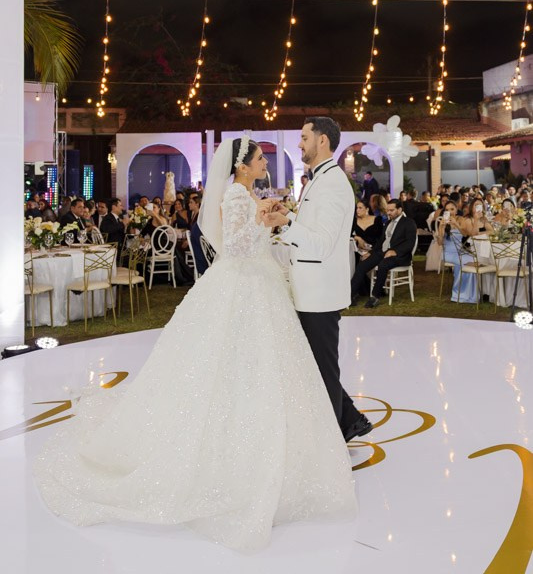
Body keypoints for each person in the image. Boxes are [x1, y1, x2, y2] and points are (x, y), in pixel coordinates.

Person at [33, 135, 356, 551]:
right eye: (260, 158)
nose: (265, 162)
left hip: (261, 285)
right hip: (244, 285)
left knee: (266, 369)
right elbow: (235, 247)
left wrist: (266, 216)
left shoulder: (248, 194)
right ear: (242, 165)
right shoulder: (236, 195)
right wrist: (264, 221)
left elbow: (250, 238)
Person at [264, 116, 373, 442]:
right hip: (310, 288)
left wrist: (286, 224)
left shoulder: (333, 183)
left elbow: (323, 243)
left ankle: (331, 439)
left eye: (303, 137)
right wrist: (288, 215)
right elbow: (314, 227)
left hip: (320, 292)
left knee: (322, 369)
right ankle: (351, 420)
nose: (299, 144)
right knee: (315, 363)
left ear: (321, 140)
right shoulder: (320, 179)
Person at [350, 198, 417, 308]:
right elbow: (381, 241)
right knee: (362, 265)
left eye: (391, 210)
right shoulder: (388, 223)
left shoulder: (409, 223)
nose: (388, 212)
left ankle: (375, 296)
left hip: (401, 255)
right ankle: (351, 295)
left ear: (400, 209)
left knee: (383, 265)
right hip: (384, 252)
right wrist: (371, 253)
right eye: (387, 210)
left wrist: (395, 251)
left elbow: (410, 243)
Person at [437, 202, 477, 303]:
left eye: (452, 209)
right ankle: (459, 294)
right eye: (447, 210)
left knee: (473, 260)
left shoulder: (461, 219)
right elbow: (440, 243)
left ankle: (471, 294)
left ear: (456, 210)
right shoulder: (443, 222)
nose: (450, 212)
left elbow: (465, 234)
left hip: (460, 251)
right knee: (466, 261)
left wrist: (456, 224)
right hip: (448, 253)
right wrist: (441, 228)